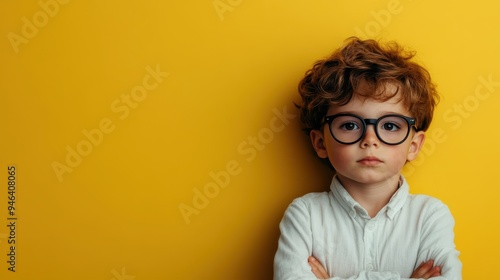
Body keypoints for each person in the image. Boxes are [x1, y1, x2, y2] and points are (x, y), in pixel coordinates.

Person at [273, 37, 462, 279]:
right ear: (321, 143)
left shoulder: (430, 216)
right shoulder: (305, 215)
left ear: (413, 145)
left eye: (391, 126)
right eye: (350, 125)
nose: (370, 139)